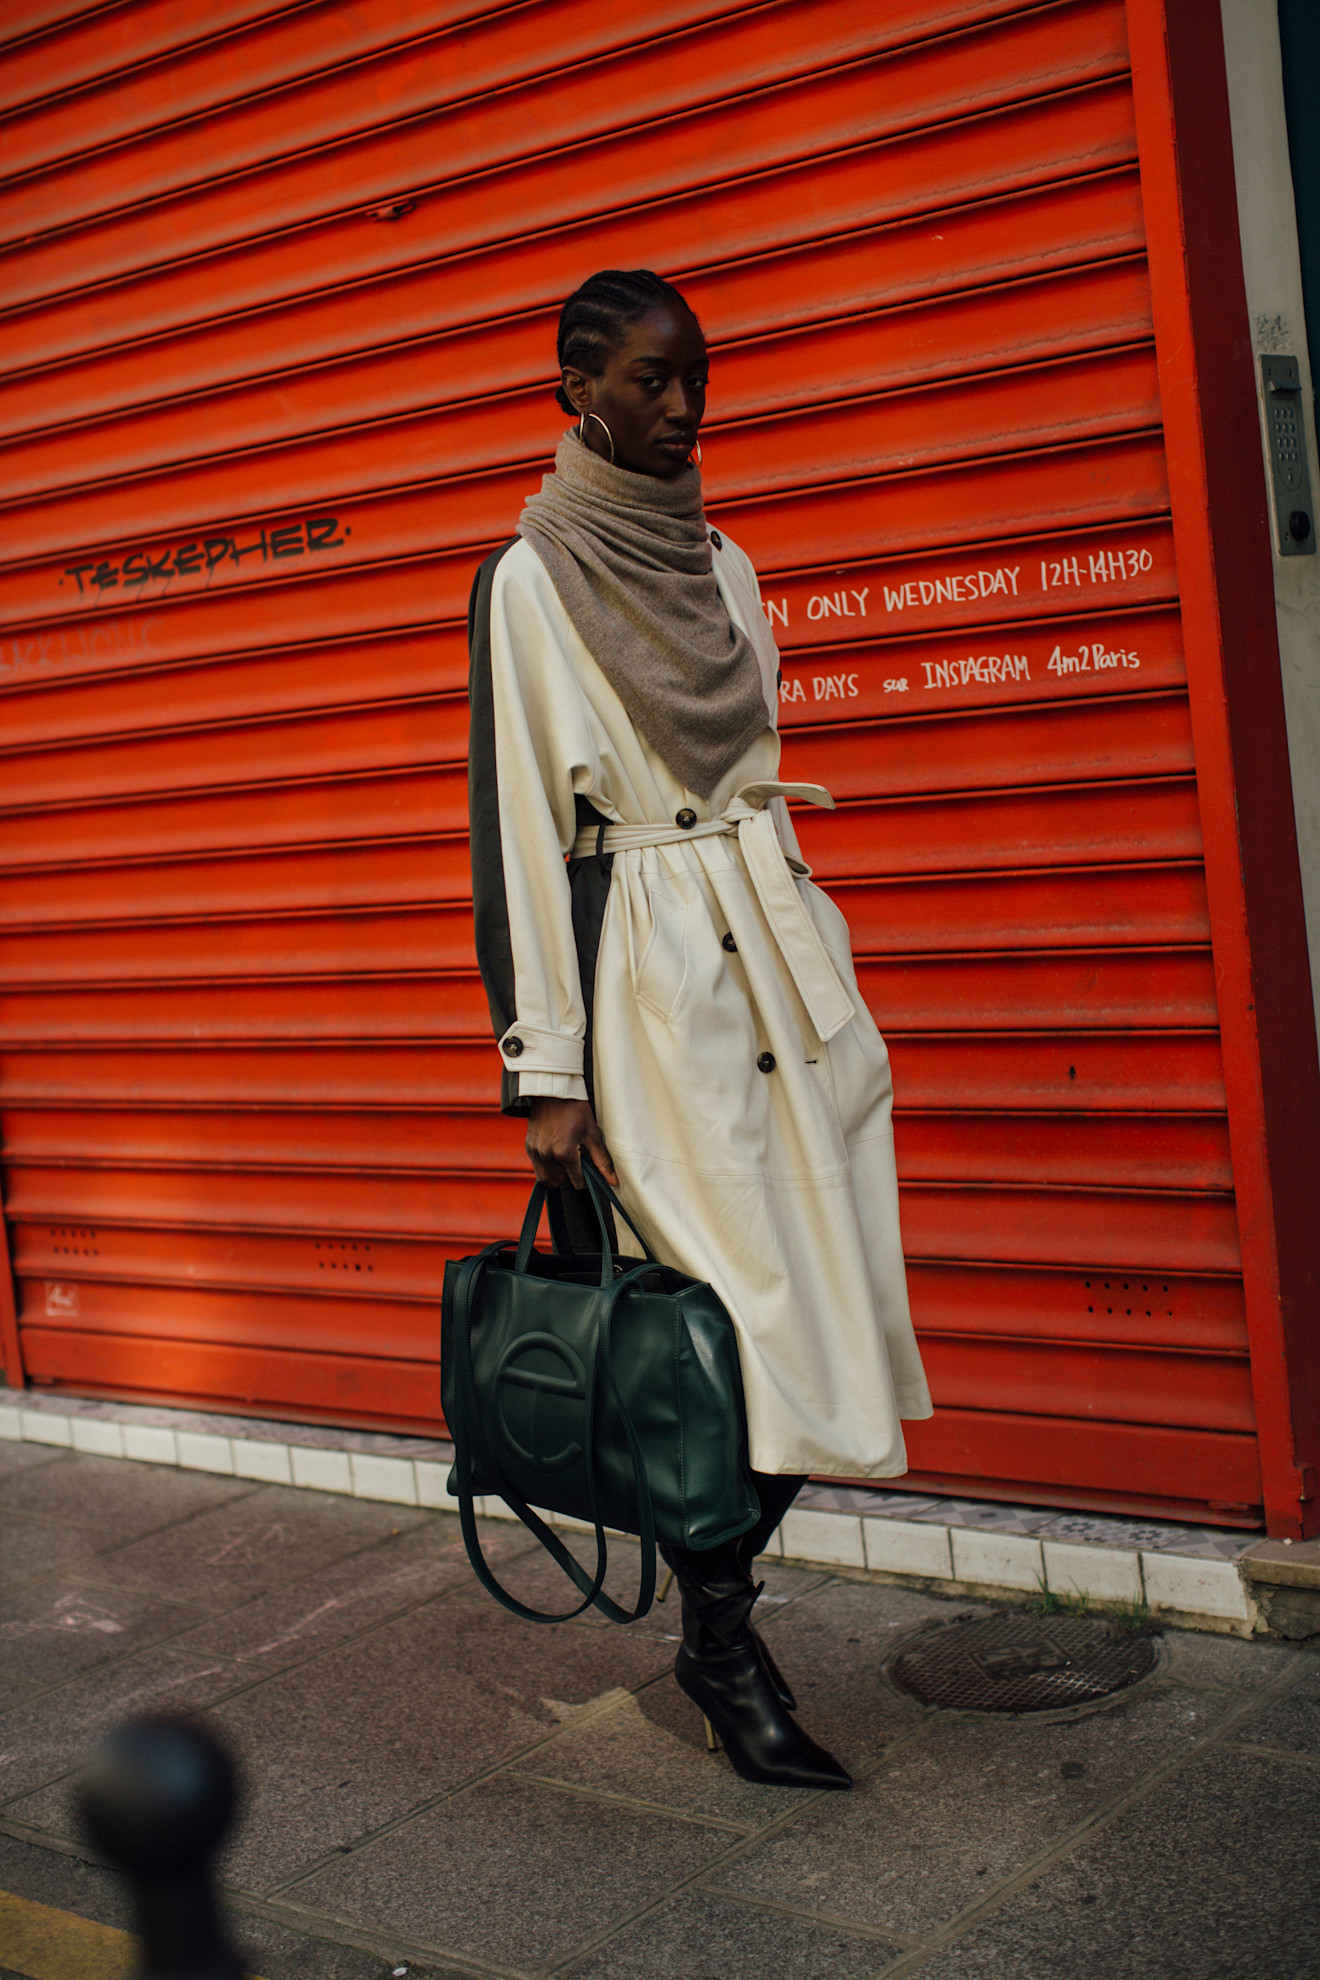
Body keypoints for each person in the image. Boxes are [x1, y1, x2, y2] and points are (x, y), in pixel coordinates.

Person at [467, 268, 932, 1790]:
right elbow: (525, 840)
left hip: (783, 963)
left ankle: (715, 1632)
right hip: (656, 990)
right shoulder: (530, 580)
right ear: (575, 389)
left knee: (827, 1313)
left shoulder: (726, 563)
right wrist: (548, 1072)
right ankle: (728, 1653)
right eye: (650, 382)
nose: (680, 409)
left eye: (696, 380)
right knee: (728, 1338)